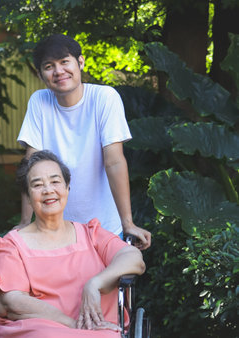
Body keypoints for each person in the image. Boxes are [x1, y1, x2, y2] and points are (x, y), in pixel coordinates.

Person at [0, 150, 146, 337]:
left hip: (98, 326)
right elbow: (11, 302)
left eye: (55, 181)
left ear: (67, 188)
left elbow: (133, 258)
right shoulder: (11, 245)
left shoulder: (91, 234)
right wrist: (72, 325)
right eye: (37, 185)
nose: (48, 190)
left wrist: (94, 284)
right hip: (37, 329)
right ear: (28, 197)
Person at [17, 34, 151, 249]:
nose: (59, 71)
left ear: (80, 62)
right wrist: (25, 221)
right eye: (49, 66)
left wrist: (128, 223)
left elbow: (114, 161)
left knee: (107, 281)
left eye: (64, 62)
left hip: (105, 227)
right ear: (41, 74)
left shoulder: (105, 98)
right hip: (56, 229)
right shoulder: (39, 102)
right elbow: (32, 165)